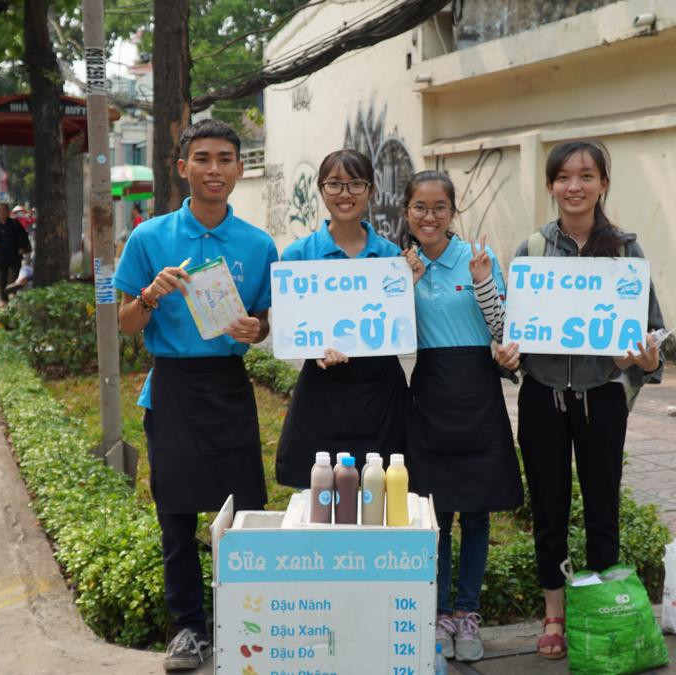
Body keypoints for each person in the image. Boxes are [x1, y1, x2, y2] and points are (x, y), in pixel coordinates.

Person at [113, 118, 277, 671]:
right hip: (174, 389)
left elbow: (266, 317)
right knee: (177, 517)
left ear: (239, 167)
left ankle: (247, 624)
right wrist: (152, 296)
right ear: (181, 167)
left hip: (230, 388)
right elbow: (123, 324)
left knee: (245, 511)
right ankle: (187, 630)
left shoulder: (258, 245)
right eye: (202, 158)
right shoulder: (149, 238)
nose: (214, 168)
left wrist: (259, 330)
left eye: (225, 158)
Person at [493, 140, 666, 660]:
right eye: (564, 177)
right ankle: (554, 614)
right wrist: (505, 355)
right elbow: (511, 335)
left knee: (602, 509)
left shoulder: (626, 253)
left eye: (586, 176)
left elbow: (654, 334)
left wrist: (644, 359)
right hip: (544, 397)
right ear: (550, 186)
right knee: (548, 509)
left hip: (602, 399)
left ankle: (601, 612)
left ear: (603, 185)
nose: (575, 186)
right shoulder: (531, 251)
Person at [399, 171, 522, 663]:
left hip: (477, 390)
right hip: (428, 393)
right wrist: (404, 285)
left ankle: (467, 614)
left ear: (453, 212)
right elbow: (392, 337)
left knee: (475, 513)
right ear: (406, 211)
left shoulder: (477, 257)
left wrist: (481, 281)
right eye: (420, 208)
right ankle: (439, 614)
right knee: (435, 515)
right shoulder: (398, 266)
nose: (430, 217)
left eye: (440, 208)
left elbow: (503, 327)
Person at [273, 149, 408, 487]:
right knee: (317, 491)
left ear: (371, 191)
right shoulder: (297, 256)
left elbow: (400, 322)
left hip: (381, 389)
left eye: (355, 184)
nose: (344, 194)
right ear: (321, 189)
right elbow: (292, 327)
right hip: (322, 388)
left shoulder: (392, 257)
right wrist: (315, 348)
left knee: (380, 490)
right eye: (334, 184)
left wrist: (411, 282)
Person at [0, 203, 32, 306]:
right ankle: (4, 299)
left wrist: (22, 248)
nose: (2, 212)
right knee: (2, 278)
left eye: (4, 210)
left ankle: (15, 296)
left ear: (8, 212)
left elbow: (23, 236)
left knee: (16, 277)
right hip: (0, 256)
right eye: (0, 210)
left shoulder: (15, 224)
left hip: (14, 255)